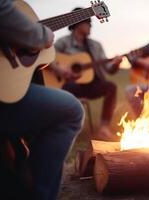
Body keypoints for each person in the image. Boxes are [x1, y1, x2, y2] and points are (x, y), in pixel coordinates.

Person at [0, 0, 84, 200]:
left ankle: (19, 170)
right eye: (87, 23)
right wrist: (40, 35)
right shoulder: (63, 43)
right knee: (71, 110)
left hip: (12, 83)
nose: (89, 27)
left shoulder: (93, 46)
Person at [52, 7, 122, 141]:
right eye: (88, 22)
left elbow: (108, 68)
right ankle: (63, 127)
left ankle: (104, 128)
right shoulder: (63, 43)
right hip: (70, 85)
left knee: (111, 87)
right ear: (77, 23)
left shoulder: (96, 45)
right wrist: (60, 69)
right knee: (66, 89)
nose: (91, 25)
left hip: (93, 85)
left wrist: (115, 64)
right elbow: (48, 58)